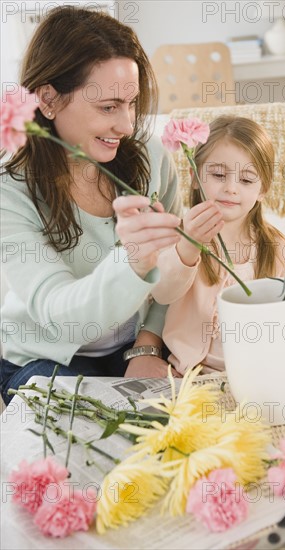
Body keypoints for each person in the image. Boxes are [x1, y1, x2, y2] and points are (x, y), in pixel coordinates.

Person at [0, 6, 183, 405]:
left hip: (133, 347)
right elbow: (63, 316)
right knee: (89, 449)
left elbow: (177, 267)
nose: (127, 126)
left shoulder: (151, 158)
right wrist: (134, 260)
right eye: (108, 107)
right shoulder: (9, 188)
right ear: (48, 99)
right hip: (44, 357)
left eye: (132, 103)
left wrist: (148, 344)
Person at [152, 115, 285, 375]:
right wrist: (188, 247)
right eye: (218, 174)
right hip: (187, 374)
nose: (231, 188)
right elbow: (162, 293)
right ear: (195, 177)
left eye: (247, 180)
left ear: (263, 190)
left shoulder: (275, 247)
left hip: (256, 375)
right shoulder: (179, 235)